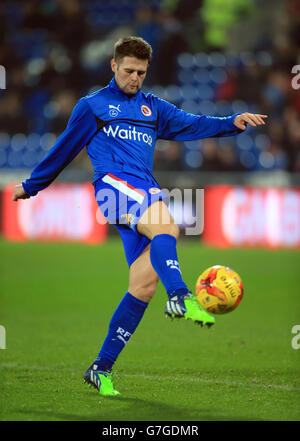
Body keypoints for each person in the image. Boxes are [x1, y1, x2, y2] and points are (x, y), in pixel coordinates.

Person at [13, 36, 267, 396]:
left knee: (143, 286)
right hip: (114, 186)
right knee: (168, 225)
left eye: (142, 73)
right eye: (129, 71)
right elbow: (64, 147)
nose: (135, 78)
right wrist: (32, 184)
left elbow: (191, 124)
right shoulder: (93, 106)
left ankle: (100, 368)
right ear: (114, 66)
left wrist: (232, 122)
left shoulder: (152, 107)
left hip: (141, 191)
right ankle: (180, 295)